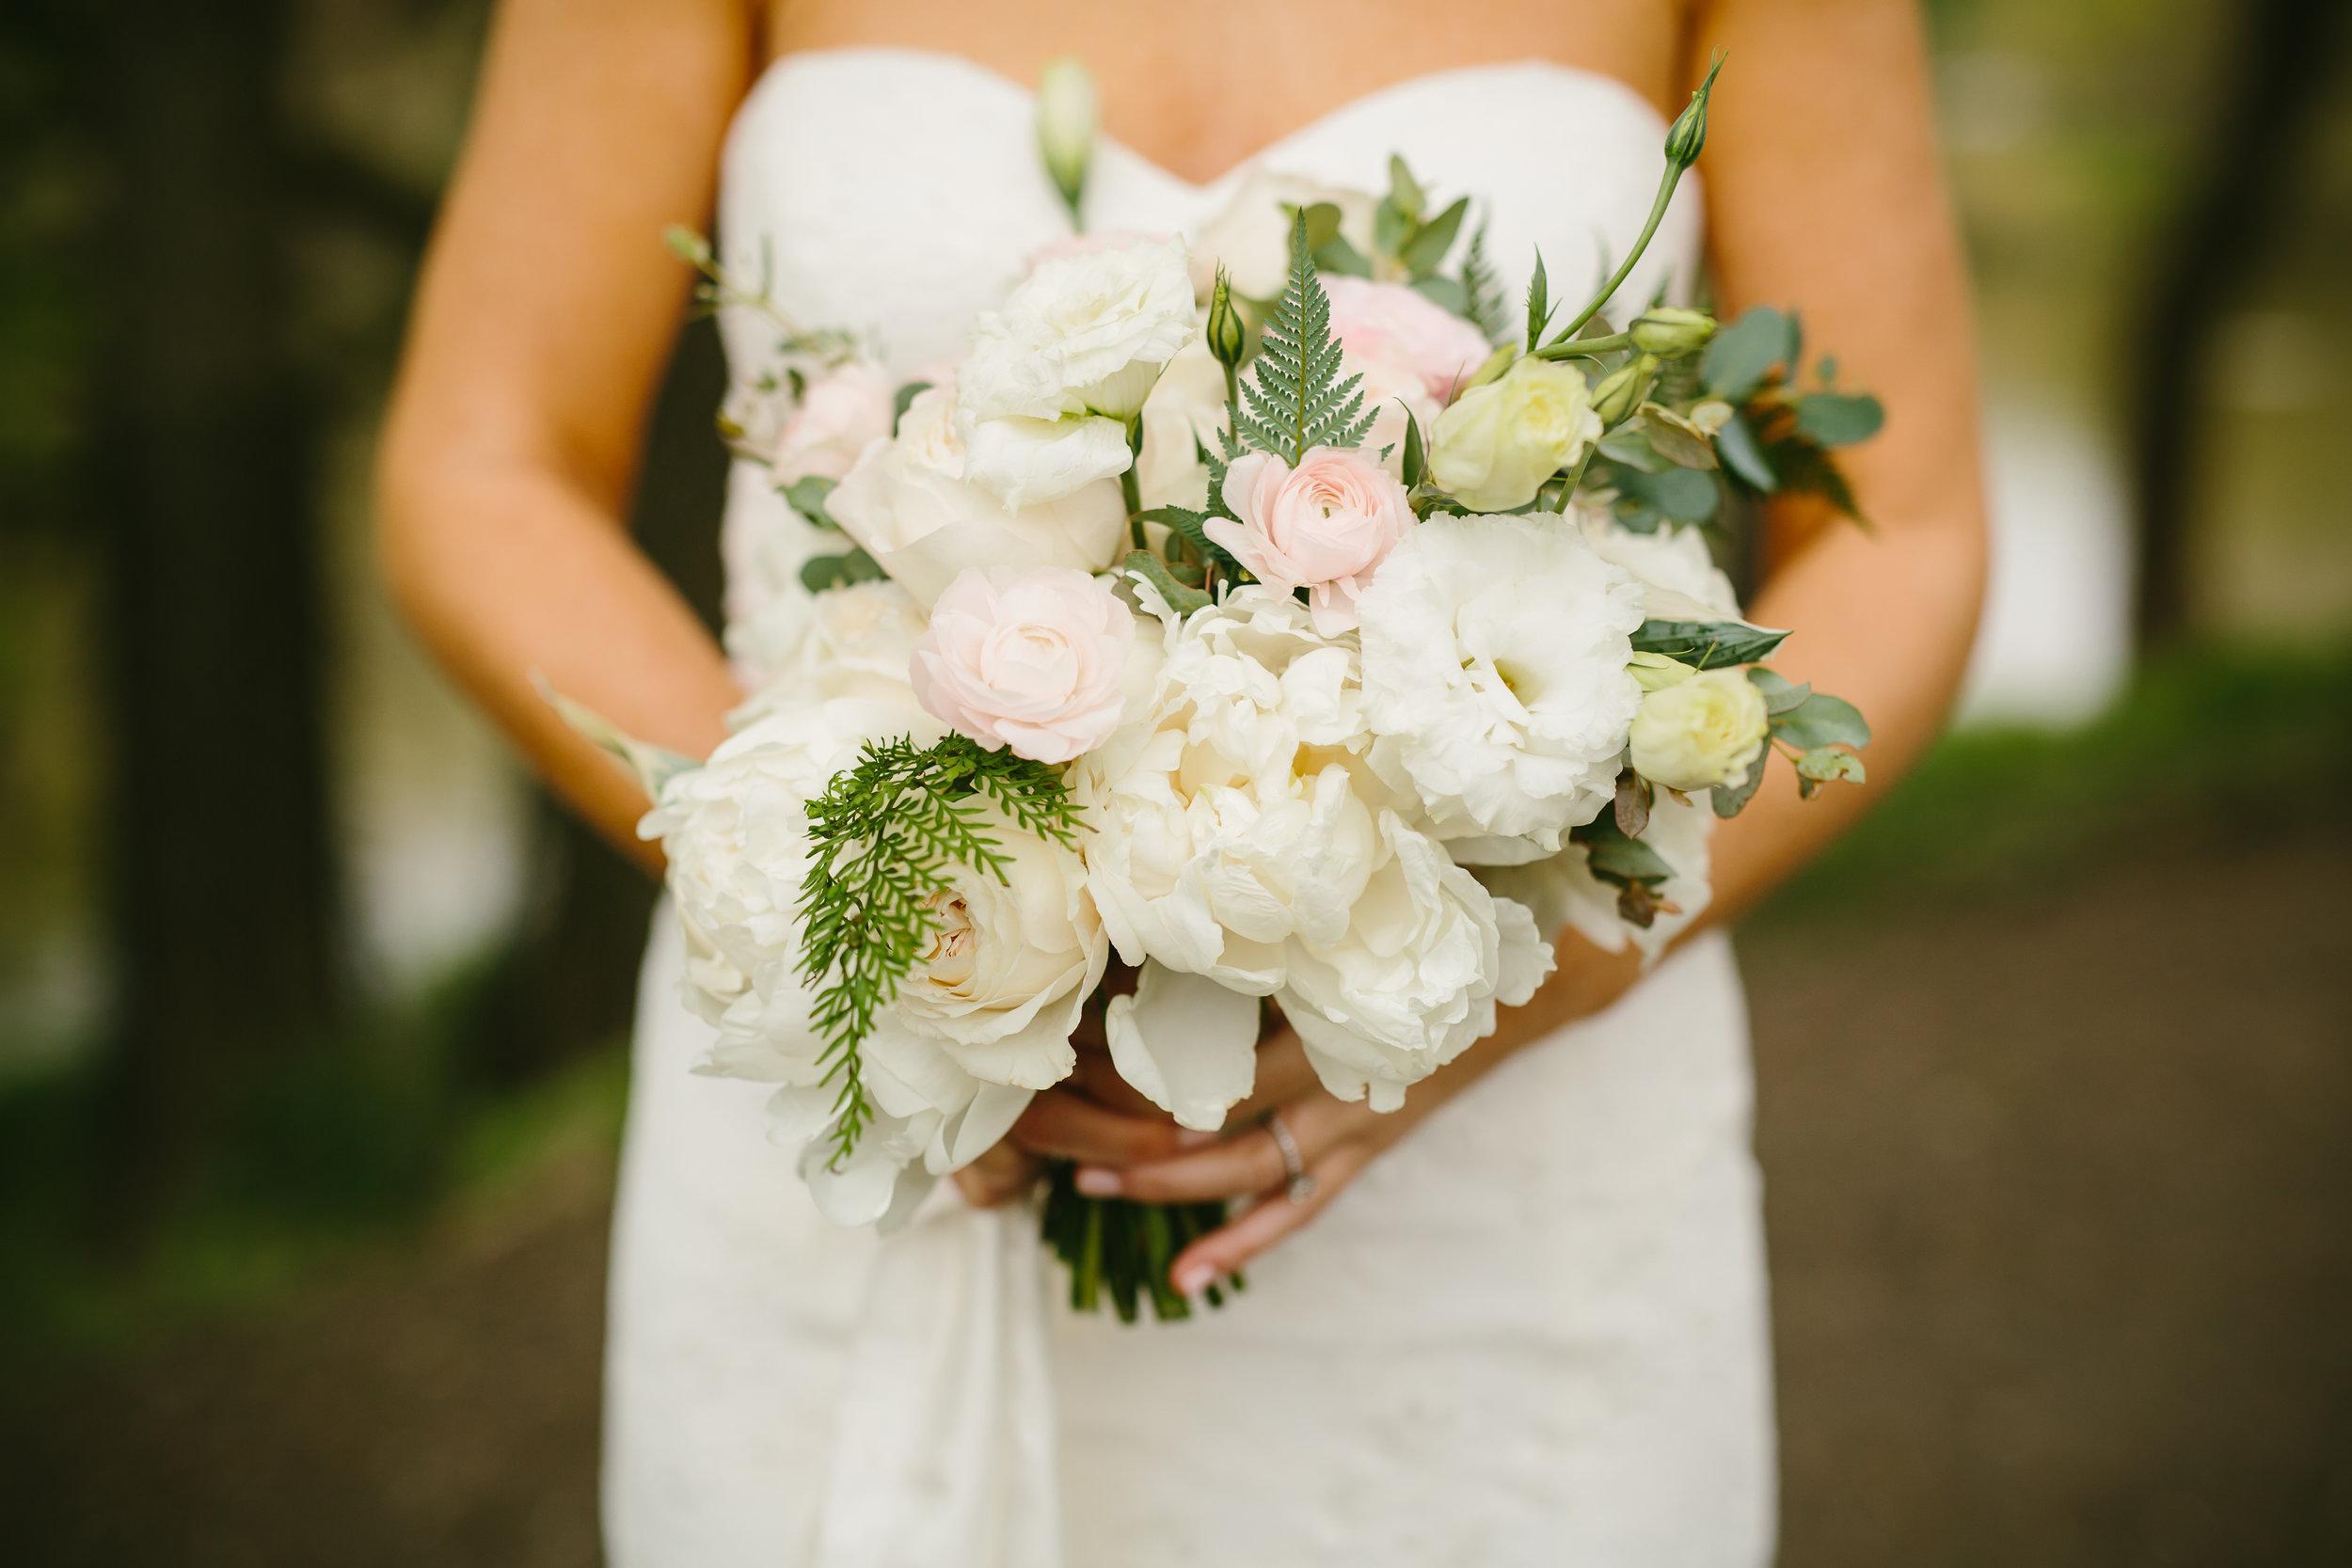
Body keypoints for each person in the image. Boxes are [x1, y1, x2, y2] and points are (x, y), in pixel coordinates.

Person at [377, 2, 1986, 1562]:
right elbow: (484, 466)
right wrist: (876, 918)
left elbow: (1904, 531)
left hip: (1511, 1168)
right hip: (876, 1098)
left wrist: (1510, 982)